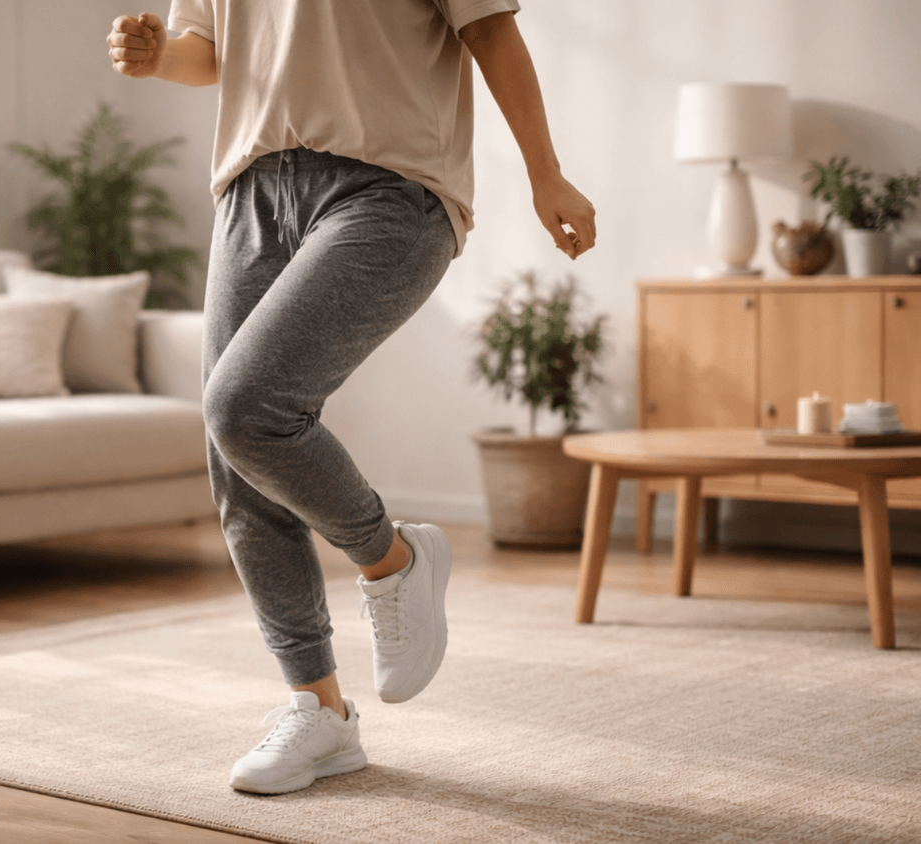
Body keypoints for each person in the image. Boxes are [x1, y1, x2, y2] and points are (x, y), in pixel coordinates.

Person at [107, 1, 596, 795]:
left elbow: (490, 28)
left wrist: (546, 173)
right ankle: (320, 714)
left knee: (243, 405)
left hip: (392, 186)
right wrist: (160, 54)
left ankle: (391, 560)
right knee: (238, 458)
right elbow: (211, 51)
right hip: (252, 191)